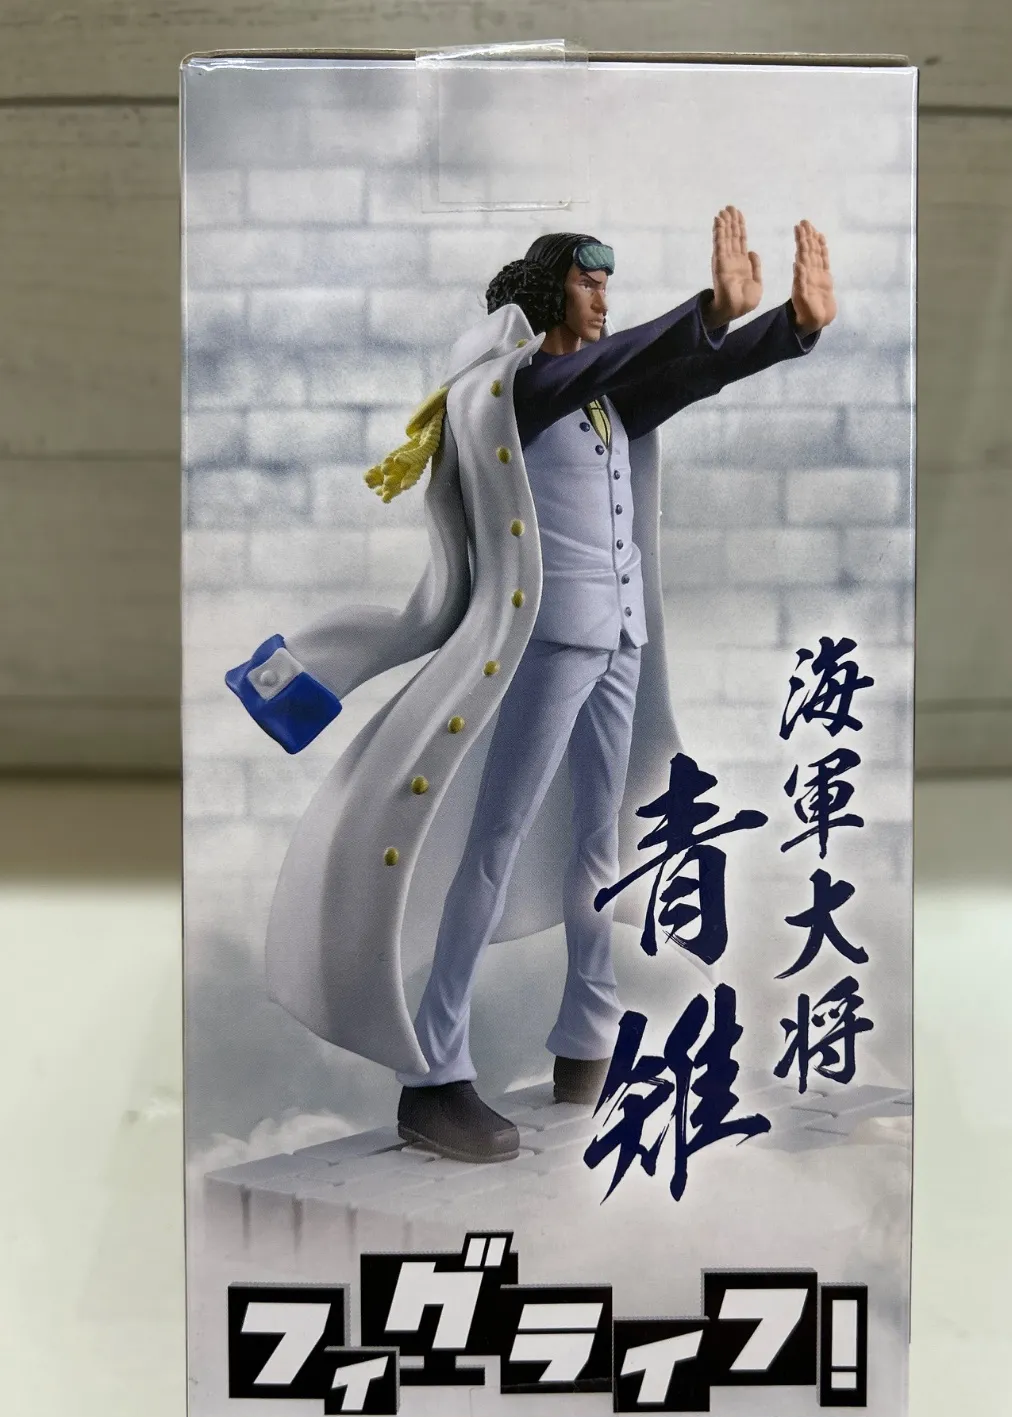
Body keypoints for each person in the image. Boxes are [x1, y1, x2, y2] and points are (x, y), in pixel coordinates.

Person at [226, 207, 837, 1163]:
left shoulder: (600, 400)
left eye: (607, 283)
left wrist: (788, 328)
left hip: (619, 638)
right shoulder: (523, 388)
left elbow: (684, 374)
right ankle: (435, 1072)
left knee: (601, 843)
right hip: (550, 644)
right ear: (551, 292)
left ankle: (587, 1040)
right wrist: (706, 313)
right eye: (589, 282)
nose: (603, 298)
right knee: (496, 844)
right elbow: (615, 361)